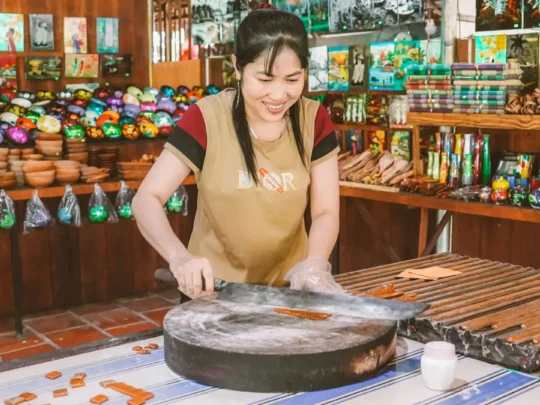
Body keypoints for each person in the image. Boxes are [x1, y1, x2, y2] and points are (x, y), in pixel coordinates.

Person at [132, 4, 344, 299]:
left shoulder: (314, 119)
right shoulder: (205, 118)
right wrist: (179, 257)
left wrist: (316, 262)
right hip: (213, 293)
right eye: (265, 80)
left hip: (289, 293)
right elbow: (146, 200)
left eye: (293, 80)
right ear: (238, 67)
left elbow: (325, 211)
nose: (279, 95)